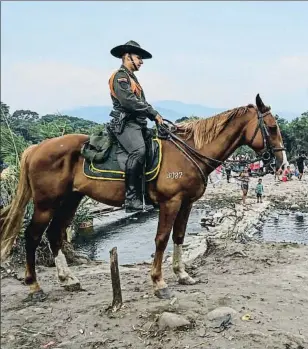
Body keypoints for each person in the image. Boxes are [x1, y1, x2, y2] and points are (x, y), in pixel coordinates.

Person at [108, 40, 164, 213]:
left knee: (153, 148)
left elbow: (142, 101)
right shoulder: (120, 76)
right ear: (127, 57)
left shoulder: (133, 78)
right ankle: (131, 198)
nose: (141, 62)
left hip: (137, 123)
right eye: (139, 58)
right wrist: (153, 113)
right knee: (138, 151)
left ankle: (146, 193)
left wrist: (152, 113)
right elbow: (129, 101)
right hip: (126, 123)